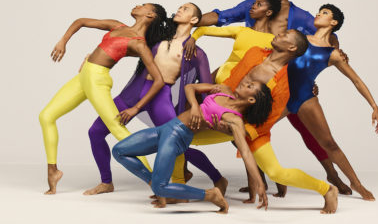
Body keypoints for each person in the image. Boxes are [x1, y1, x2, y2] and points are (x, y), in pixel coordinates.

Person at [183, 0, 350, 195]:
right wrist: (191, 20)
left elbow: (327, 37)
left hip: (278, 78)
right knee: (223, 119)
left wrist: (319, 68)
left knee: (306, 131)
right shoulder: (253, 5)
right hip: (246, 72)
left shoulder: (300, 15)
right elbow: (220, 16)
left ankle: (331, 175)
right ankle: (255, 180)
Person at [179, 29, 339, 214]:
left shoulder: (282, 85)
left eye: (284, 35)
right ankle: (180, 186)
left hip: (250, 129)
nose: (278, 34)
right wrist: (218, 105)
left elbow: (267, 121)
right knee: (181, 135)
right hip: (224, 114)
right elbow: (232, 82)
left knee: (276, 172)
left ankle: (327, 190)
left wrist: (235, 129)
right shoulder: (255, 51)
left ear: (292, 47)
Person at [83, 3, 213, 195]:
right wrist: (93, 56)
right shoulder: (157, 37)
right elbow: (125, 41)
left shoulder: (197, 52)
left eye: (185, 9)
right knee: (95, 132)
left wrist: (194, 37)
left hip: (160, 98)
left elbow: (206, 87)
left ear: (194, 20)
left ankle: (217, 178)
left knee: (178, 142)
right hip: (134, 91)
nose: (179, 9)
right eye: (180, 7)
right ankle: (106, 182)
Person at [39, 3, 167, 194]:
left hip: (97, 80)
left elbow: (159, 80)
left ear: (150, 14)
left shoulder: (139, 43)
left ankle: (156, 183)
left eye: (143, 5)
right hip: (83, 78)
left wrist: (135, 108)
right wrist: (63, 41)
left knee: (118, 130)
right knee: (46, 116)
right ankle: (53, 171)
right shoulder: (117, 26)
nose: (137, 5)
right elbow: (81, 21)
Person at [112, 80, 273, 213]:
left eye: (250, 86)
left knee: (160, 188)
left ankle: (211, 195)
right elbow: (190, 87)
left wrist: (259, 183)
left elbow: (245, 151)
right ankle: (151, 182)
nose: (245, 82)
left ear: (251, 100)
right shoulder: (224, 90)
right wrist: (195, 105)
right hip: (166, 128)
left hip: (177, 136)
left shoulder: (235, 121)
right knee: (119, 151)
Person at [284, 4, 378, 200]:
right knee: (252, 130)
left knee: (329, 143)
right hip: (281, 96)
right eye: (319, 11)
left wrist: (374, 105)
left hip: (305, 99)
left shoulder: (334, 54)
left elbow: (356, 80)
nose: (318, 13)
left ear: (334, 22)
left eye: (325, 13)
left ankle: (356, 183)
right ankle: (261, 181)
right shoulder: (298, 37)